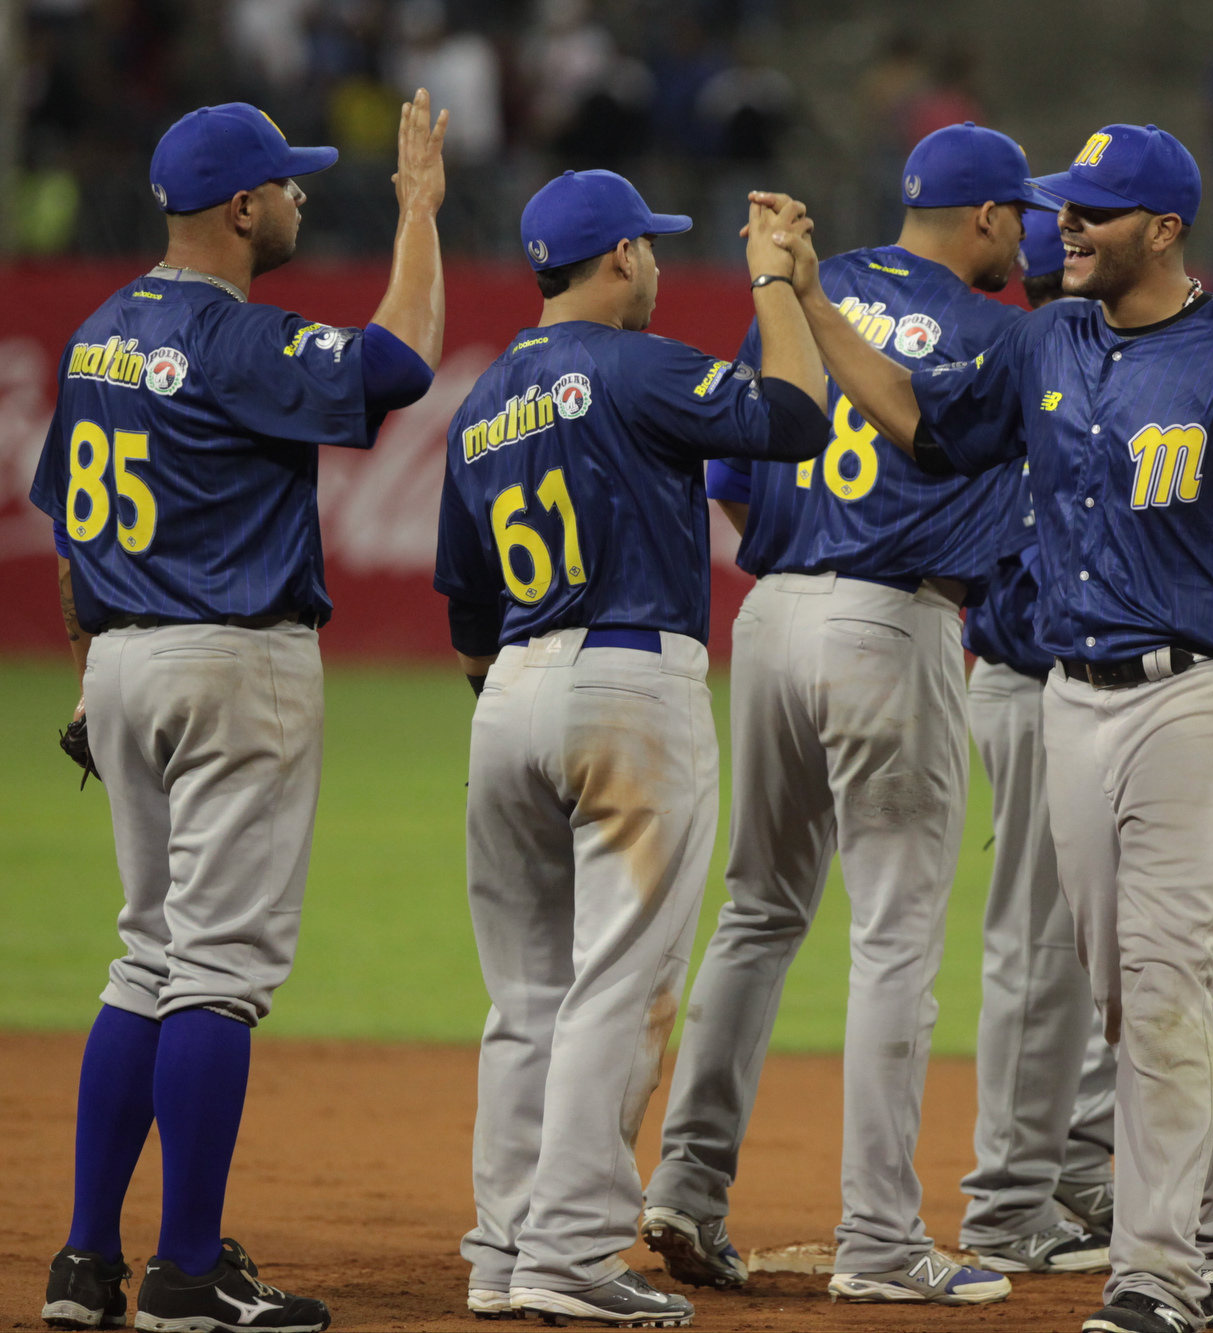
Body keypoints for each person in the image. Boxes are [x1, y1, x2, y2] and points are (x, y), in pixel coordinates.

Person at [761, 120, 1213, 1333]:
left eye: (1092, 211)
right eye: (1060, 207)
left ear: (1163, 229)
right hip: (1070, 695)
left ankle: (1155, 1275)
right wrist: (805, 298)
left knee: (1156, 979)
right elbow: (918, 424)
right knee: (1116, 992)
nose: (1065, 227)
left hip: (1203, 692)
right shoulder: (1047, 339)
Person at [33, 96, 447, 1333]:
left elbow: (65, 522)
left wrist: (86, 668)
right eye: (289, 181)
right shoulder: (230, 338)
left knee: (144, 952)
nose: (302, 197)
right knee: (215, 970)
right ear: (240, 207)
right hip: (230, 662)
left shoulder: (101, 332)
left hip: (117, 659)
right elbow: (403, 360)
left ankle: (83, 1262)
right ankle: (187, 1271)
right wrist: (420, 210)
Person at [640, 121, 1046, 1309]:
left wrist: (799, 579)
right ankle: (878, 1236)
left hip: (769, 615)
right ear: (982, 216)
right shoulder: (998, 334)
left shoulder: (802, 293)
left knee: (758, 913)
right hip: (894, 618)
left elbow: (728, 470)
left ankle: (683, 1183)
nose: (1024, 238)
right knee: (894, 941)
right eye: (1018, 215)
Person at [433, 170, 829, 1327]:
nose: (654, 264)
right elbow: (795, 422)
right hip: (626, 682)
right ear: (614, 259)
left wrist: (518, 699)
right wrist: (773, 283)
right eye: (646, 248)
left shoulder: (481, 398)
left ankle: (503, 1249)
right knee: (620, 982)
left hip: (507, 687)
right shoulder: (637, 364)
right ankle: (565, 1253)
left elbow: (463, 600)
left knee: (523, 998)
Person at [955, 205, 1119, 1275]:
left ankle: (1079, 1157)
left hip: (1075, 683)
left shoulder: (1098, 359)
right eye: (1059, 226)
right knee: (1037, 945)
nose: (1066, 240)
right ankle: (1012, 1193)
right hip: (1027, 677)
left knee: (1092, 943)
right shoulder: (1019, 355)